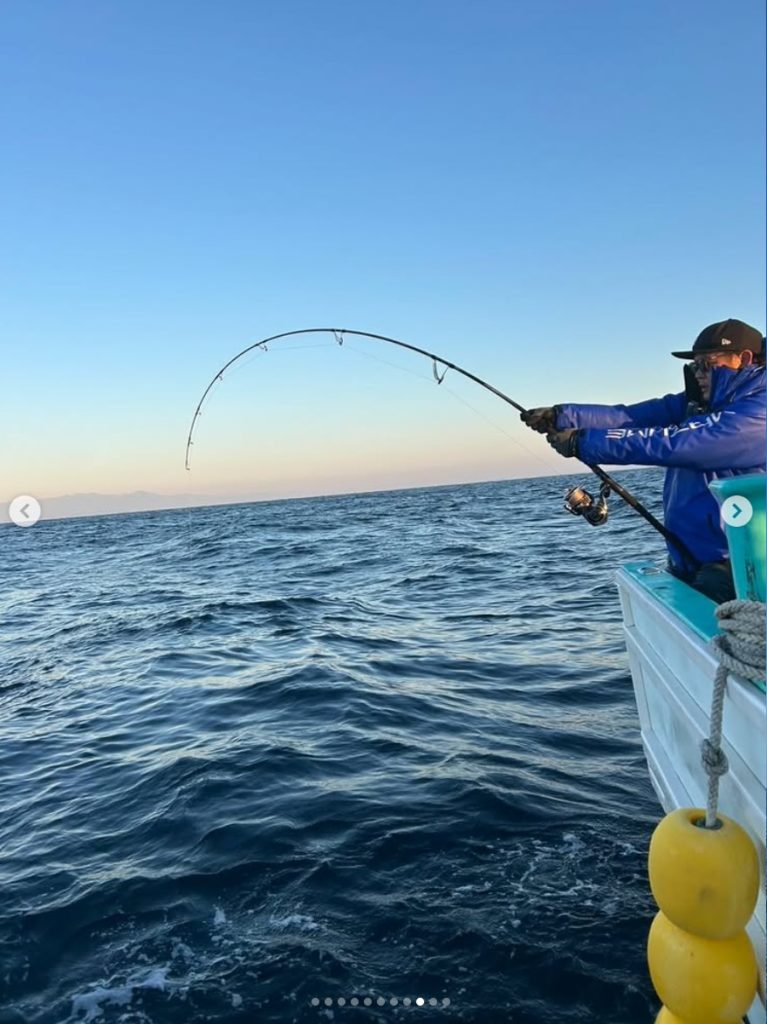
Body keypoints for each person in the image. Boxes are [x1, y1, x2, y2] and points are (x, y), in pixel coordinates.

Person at [521, 319, 766, 603]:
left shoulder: (759, 410)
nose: (698, 373)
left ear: (744, 359)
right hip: (696, 562)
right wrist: (563, 416)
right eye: (694, 366)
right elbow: (631, 417)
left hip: (742, 567)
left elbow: (678, 442)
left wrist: (583, 442)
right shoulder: (702, 402)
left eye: (706, 364)